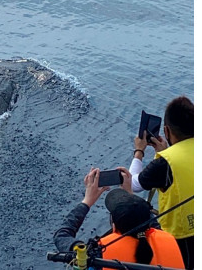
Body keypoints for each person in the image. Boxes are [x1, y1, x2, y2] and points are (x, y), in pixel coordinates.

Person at [53, 167, 185, 269]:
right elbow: (147, 219)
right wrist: (131, 196)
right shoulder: (167, 238)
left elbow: (62, 235)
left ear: (114, 226)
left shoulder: (97, 253)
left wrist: (87, 202)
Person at [129, 96, 194, 269]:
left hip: (182, 237)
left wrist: (139, 151)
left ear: (166, 131)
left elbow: (133, 184)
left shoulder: (165, 163)